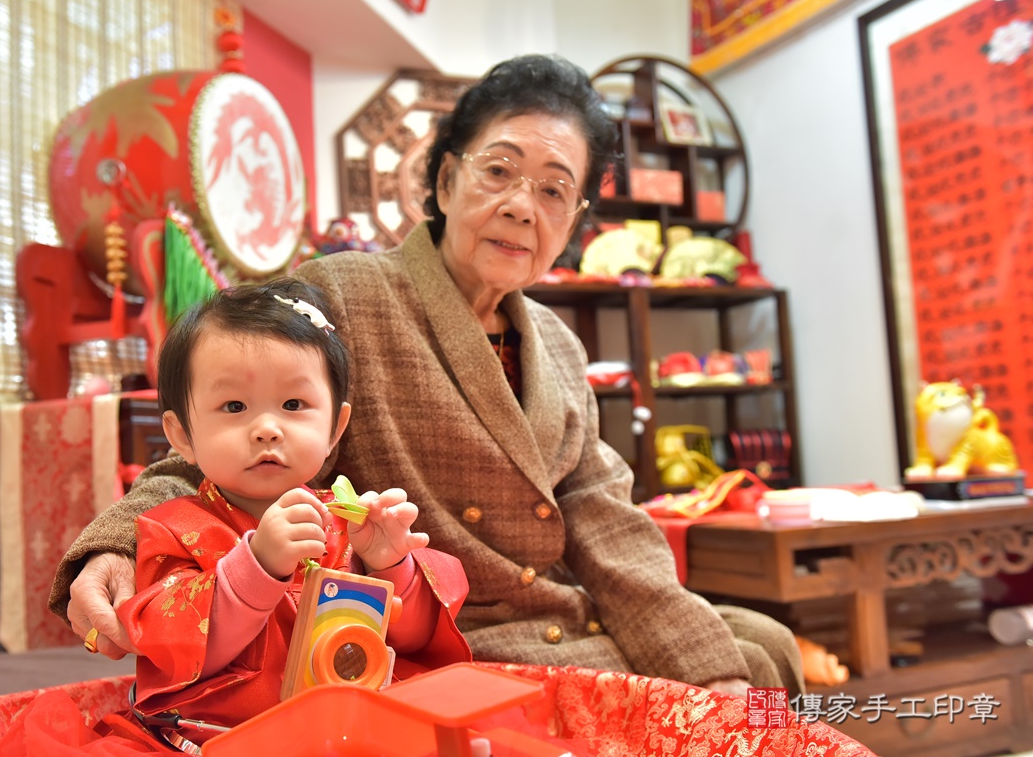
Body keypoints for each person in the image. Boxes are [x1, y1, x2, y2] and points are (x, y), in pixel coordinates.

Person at [52, 54, 803, 698]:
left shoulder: (560, 348)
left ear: (573, 222)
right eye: (499, 170)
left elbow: (605, 520)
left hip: (556, 615)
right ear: (446, 181)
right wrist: (112, 546)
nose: (519, 205)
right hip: (426, 636)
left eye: (552, 190)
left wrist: (708, 675)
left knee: (756, 649)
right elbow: (212, 446)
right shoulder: (343, 294)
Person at [85, 277, 470, 750]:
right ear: (181, 434)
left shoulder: (352, 521)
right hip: (226, 737)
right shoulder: (175, 529)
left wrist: (391, 567)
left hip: (347, 732)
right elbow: (177, 646)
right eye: (234, 406)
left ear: (335, 427)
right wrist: (259, 566)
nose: (267, 428)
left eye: (293, 404)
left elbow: (416, 640)